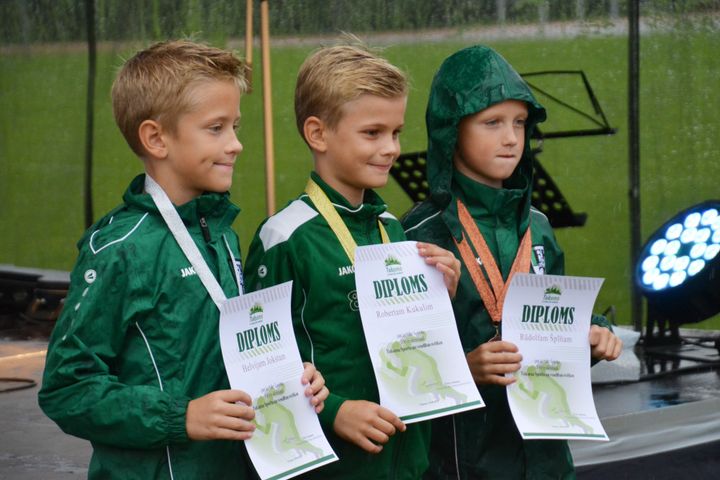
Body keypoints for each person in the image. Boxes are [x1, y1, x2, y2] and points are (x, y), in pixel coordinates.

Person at [38, 40, 327, 480]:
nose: (236, 144)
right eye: (216, 128)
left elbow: (225, 348)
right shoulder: (121, 250)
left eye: (235, 126)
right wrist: (181, 417)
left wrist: (289, 378)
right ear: (156, 138)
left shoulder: (220, 230)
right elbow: (67, 388)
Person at [402, 45, 623, 479]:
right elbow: (401, 363)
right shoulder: (419, 234)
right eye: (492, 123)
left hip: (547, 461)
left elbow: (555, 320)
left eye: (520, 123)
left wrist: (596, 334)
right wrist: (464, 369)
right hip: (464, 463)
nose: (511, 138)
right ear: (451, 130)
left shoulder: (537, 225)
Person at [243, 43, 462, 479]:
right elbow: (259, 365)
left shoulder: (390, 228)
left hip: (406, 461)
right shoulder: (285, 237)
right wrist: (335, 412)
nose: (391, 148)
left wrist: (439, 299)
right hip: (334, 466)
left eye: (396, 132)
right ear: (318, 134)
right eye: (372, 133)